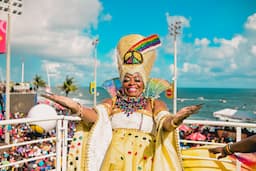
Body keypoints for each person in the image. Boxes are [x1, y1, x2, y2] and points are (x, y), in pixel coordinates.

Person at [42, 34, 202, 171]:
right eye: (127, 79)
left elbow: (165, 123)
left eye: (137, 79)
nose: (132, 83)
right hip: (113, 162)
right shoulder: (112, 103)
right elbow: (96, 118)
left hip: (143, 162)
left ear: (144, 83)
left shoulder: (155, 104)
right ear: (122, 82)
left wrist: (176, 119)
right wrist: (75, 107)